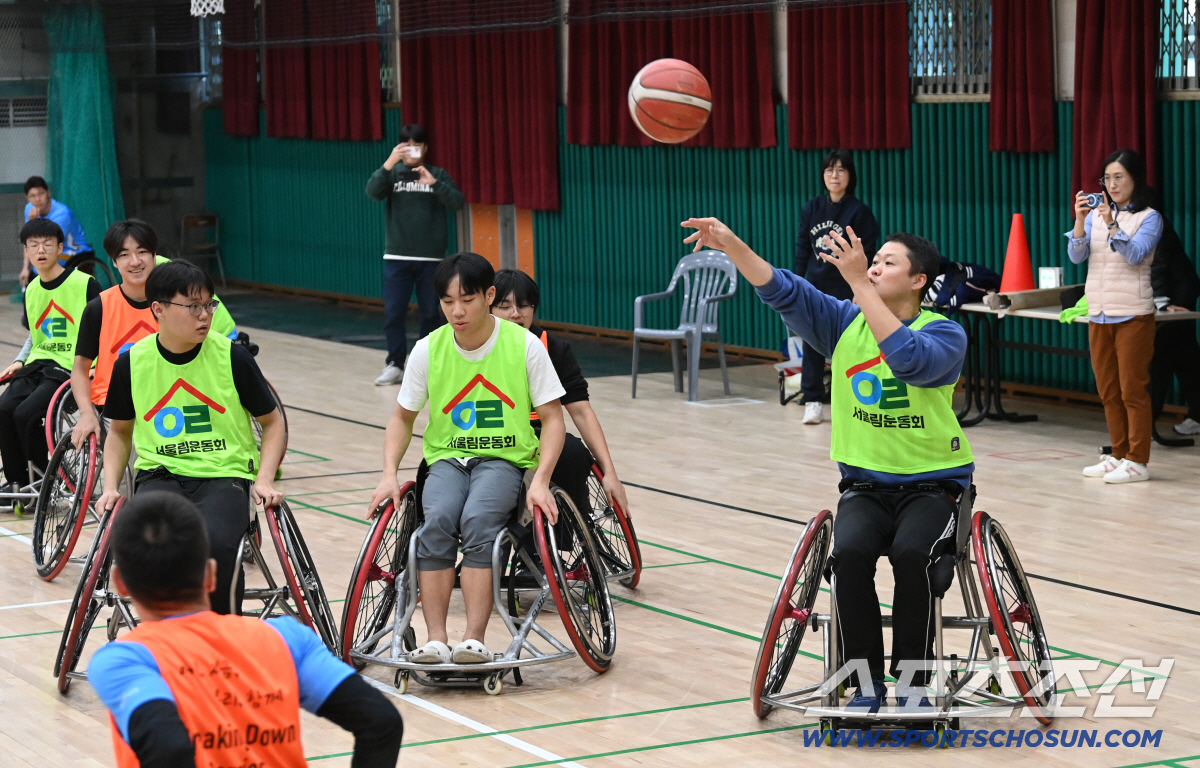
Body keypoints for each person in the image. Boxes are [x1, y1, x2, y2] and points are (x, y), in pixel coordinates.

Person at [681, 216, 972, 711]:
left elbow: (908, 362)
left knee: (912, 557)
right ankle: (865, 684)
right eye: (873, 261)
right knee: (849, 557)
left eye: (887, 262)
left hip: (933, 487)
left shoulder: (945, 334)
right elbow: (783, 289)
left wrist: (859, 282)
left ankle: (914, 686)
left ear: (919, 280)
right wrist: (732, 244)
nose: (875, 267)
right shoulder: (843, 322)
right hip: (864, 488)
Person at [88, 491, 403, 767]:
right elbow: (381, 722)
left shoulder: (125, 661)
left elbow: (169, 748)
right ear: (210, 575)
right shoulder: (285, 638)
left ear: (121, 584)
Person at [368, 253, 565, 665]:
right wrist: (389, 474)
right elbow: (401, 419)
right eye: (446, 301)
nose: (456, 311)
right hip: (447, 460)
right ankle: (436, 640)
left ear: (490, 296)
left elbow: (552, 419)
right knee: (436, 522)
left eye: (468, 299)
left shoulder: (524, 346)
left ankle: (473, 640)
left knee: (479, 521)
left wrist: (542, 478)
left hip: (503, 460)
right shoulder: (428, 349)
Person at [96, 260, 286, 616]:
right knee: (154, 547)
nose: (205, 315)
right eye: (193, 306)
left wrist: (264, 479)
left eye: (209, 305)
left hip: (224, 475)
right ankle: (170, 631)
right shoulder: (131, 363)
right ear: (159, 309)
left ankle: (221, 630)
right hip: (159, 476)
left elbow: (273, 423)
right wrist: (110, 487)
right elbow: (119, 433)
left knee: (214, 544)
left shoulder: (233, 357)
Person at [69, 220, 240, 451]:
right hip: (119, 409)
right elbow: (79, 370)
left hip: (174, 404)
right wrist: (87, 414)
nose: (135, 261)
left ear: (154, 256)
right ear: (114, 261)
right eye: (125, 254)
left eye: (142, 252)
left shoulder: (177, 306)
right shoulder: (99, 308)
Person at [490, 269, 632, 520]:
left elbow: (581, 411)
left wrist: (610, 472)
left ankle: (565, 531)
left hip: (540, 432)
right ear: (489, 307)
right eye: (505, 306)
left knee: (573, 452)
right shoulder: (472, 347)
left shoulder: (553, 348)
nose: (515, 314)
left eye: (524, 306)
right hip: (489, 434)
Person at [1067, 148, 1162, 483]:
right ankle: (1118, 453)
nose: (1112, 184)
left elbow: (1135, 255)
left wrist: (1111, 221)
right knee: (1108, 390)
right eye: (1107, 178)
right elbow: (1077, 256)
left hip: (1133, 313)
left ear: (1135, 178)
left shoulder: (1149, 217)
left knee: (1132, 390)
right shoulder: (1094, 216)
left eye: (1119, 177)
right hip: (1100, 312)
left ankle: (1138, 460)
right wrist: (1081, 220)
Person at [0, 218, 100, 494]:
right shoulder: (32, 290)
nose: (40, 250)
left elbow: (106, 328)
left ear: (59, 248)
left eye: (47, 244)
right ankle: (18, 483)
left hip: (70, 368)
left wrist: (98, 365)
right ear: (27, 251)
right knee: (4, 409)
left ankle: (44, 481)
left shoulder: (84, 284)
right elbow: (36, 334)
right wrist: (20, 360)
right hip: (37, 364)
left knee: (26, 414)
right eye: (34, 245)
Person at [366, 124, 465, 387]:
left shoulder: (437, 174)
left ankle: (425, 364)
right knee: (394, 313)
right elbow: (372, 191)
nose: (412, 150)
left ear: (425, 148)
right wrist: (389, 163)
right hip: (396, 257)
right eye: (407, 145)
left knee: (431, 314)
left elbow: (457, 202)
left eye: (417, 145)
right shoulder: (393, 175)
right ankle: (395, 364)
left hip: (431, 259)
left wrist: (434, 185)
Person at [792, 150, 881, 425]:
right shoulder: (812, 208)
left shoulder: (859, 211)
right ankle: (813, 400)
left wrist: (861, 288)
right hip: (815, 287)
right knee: (812, 344)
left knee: (850, 345)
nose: (834, 175)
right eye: (829, 170)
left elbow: (868, 252)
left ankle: (853, 400)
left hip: (846, 288)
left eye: (841, 170)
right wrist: (797, 281)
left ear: (850, 176)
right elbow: (802, 247)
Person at [1148, 214, 1200, 435]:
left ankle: (1147, 423)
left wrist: (1162, 302)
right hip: (1166, 293)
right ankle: (1198, 415)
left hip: (1177, 294)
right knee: (1186, 357)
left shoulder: (1151, 219)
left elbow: (1158, 263)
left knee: (1162, 355)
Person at [21, 176, 92, 285]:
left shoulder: (62, 214)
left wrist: (33, 222)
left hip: (73, 250)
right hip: (50, 250)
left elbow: (51, 241)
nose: (37, 199)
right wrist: (25, 268)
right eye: (32, 196)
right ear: (27, 198)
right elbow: (29, 240)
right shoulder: (29, 210)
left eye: (41, 193)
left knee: (46, 263)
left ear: (48, 192)